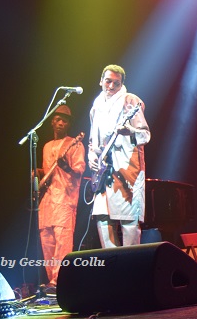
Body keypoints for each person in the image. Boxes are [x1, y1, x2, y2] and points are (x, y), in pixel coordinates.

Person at [88, 64, 151, 247]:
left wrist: (129, 131)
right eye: (108, 81)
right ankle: (111, 262)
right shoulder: (96, 106)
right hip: (103, 173)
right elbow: (92, 142)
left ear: (122, 84)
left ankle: (131, 263)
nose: (111, 86)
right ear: (101, 81)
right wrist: (91, 156)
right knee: (102, 219)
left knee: (128, 221)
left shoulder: (130, 100)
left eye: (116, 83)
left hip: (127, 171)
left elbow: (145, 135)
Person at [38, 104, 86, 286]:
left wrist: (66, 167)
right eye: (57, 119)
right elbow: (48, 172)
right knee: (47, 240)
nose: (60, 123)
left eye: (64, 121)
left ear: (69, 124)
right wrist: (38, 174)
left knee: (62, 240)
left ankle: (60, 281)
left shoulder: (75, 144)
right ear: (52, 122)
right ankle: (51, 280)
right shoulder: (46, 146)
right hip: (47, 201)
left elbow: (79, 170)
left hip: (65, 199)